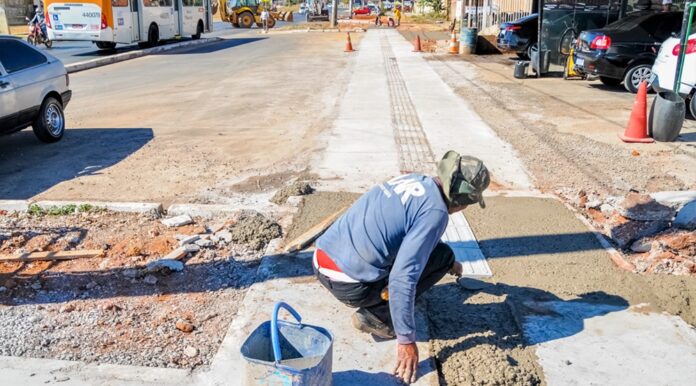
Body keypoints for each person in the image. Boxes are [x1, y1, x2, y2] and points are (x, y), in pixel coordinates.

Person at [315, 150, 490, 385]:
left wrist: (450, 264)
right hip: (349, 284)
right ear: (462, 200)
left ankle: (380, 301)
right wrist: (406, 340)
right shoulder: (436, 213)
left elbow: (410, 227)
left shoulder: (418, 181)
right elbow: (402, 277)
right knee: (436, 259)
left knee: (442, 256)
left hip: (322, 260)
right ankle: (377, 316)